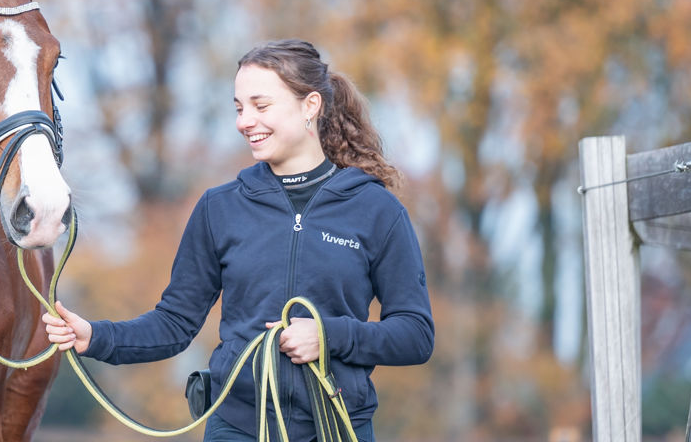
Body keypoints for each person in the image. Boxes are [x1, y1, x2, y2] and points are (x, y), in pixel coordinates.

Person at [44, 39, 434, 442]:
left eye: (260, 106)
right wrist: (96, 336)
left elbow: (415, 334)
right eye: (239, 107)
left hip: (337, 427)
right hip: (237, 427)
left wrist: (329, 336)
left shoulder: (377, 211)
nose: (244, 121)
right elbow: (175, 323)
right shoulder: (219, 208)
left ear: (310, 106)